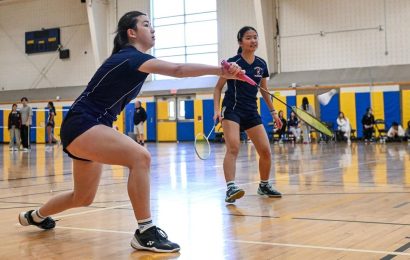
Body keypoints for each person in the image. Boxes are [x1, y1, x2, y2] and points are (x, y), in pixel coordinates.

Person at [18, 11, 243, 253]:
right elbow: (177, 69)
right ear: (132, 33)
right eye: (146, 25)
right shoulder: (130, 57)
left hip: (89, 126)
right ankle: (145, 231)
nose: (152, 29)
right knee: (140, 157)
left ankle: (35, 216)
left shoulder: (134, 61)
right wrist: (220, 70)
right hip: (83, 122)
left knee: (82, 197)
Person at [213, 26, 282, 204]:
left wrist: (274, 112)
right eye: (249, 38)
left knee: (265, 151)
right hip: (233, 109)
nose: (253, 41)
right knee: (233, 147)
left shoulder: (261, 64)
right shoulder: (233, 63)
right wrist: (216, 110)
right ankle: (230, 188)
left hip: (251, 110)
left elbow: (264, 90)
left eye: (255, 37)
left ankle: (264, 185)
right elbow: (218, 87)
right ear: (240, 42)